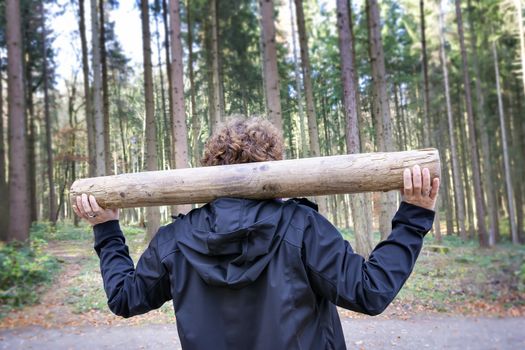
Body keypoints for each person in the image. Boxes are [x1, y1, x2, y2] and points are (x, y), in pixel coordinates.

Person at [73, 118, 440, 350]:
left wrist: (106, 229)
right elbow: (371, 291)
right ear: (275, 169)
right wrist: (413, 216)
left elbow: (123, 298)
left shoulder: (175, 241)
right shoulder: (300, 226)